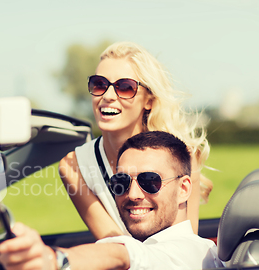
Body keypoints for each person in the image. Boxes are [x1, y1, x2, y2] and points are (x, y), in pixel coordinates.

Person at [0, 131, 222, 270]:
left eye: (150, 181)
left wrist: (53, 262)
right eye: (121, 183)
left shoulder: (184, 254)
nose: (133, 194)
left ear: (183, 189)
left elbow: (118, 257)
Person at [59, 42, 212, 240]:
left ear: (148, 100)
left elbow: (184, 248)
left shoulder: (183, 156)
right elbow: (114, 245)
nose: (108, 96)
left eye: (125, 87)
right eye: (99, 84)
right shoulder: (73, 166)